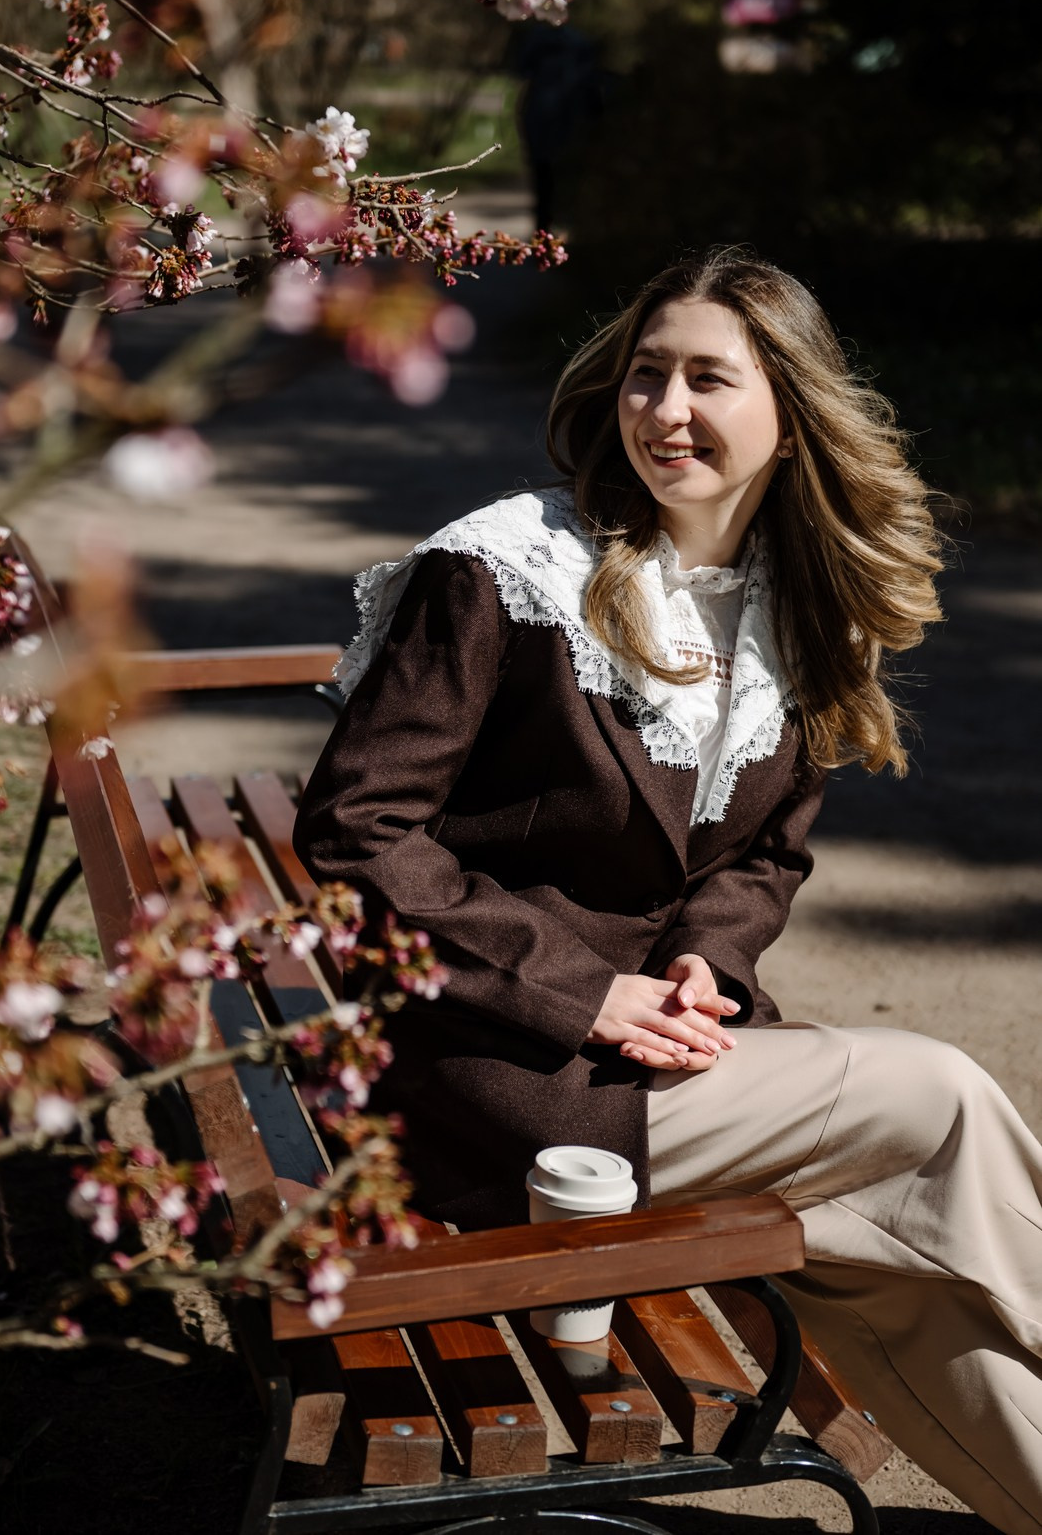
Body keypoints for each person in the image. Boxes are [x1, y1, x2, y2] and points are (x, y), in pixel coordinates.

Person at [294, 247, 1042, 1535]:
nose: (666, 411)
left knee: (893, 1268)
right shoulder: (504, 570)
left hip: (658, 1055)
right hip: (493, 1075)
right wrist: (583, 994)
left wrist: (711, 962)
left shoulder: (804, 605)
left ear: (790, 412)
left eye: (708, 379)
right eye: (648, 376)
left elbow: (760, 859)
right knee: (941, 1097)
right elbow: (359, 833)